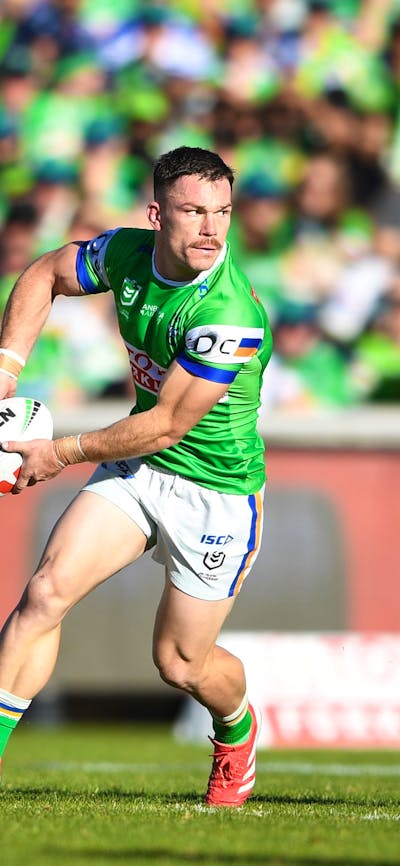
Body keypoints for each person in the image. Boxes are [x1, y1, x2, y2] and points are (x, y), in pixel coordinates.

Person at [0, 146, 272, 807]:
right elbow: (44, 273)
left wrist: (58, 453)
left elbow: (168, 425)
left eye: (223, 213)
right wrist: (6, 370)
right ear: (157, 214)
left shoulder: (228, 314)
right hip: (139, 468)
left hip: (215, 493)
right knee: (45, 593)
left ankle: (236, 734)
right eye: (193, 212)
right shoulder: (126, 254)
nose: (212, 229)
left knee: (181, 664)